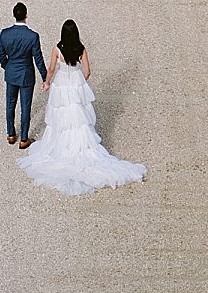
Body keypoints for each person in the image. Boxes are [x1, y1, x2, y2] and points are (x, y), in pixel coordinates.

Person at [18, 19, 145, 196]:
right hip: (75, 83)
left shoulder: (57, 49)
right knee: (78, 117)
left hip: (62, 85)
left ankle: (63, 146)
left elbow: (52, 69)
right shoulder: (81, 49)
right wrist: (79, 81)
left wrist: (47, 83)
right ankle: (81, 147)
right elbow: (87, 71)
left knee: (61, 117)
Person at [0, 2, 47, 149]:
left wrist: (7, 66)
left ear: (14, 15)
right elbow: (38, 59)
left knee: (10, 104)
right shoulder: (32, 36)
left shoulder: (4, 33)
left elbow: (1, 55)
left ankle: (11, 134)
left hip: (11, 73)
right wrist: (45, 77)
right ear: (26, 15)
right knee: (26, 107)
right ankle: (24, 138)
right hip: (26, 74)